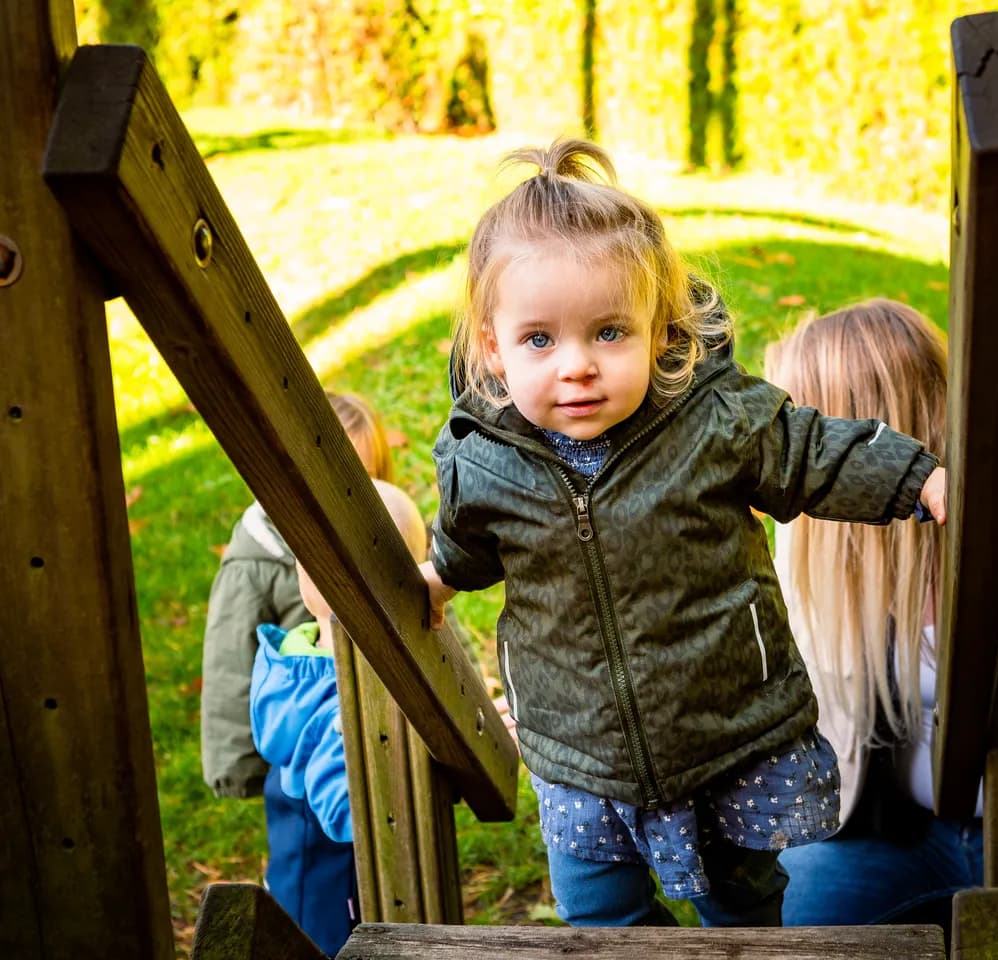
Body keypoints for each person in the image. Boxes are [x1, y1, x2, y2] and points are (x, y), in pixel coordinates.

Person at [418, 139, 948, 928]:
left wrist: (917, 477)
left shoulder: (713, 421)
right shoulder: (483, 459)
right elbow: (467, 542)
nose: (576, 366)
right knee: (597, 911)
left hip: (725, 737)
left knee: (740, 903)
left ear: (660, 330)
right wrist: (437, 578)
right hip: (581, 753)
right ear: (493, 347)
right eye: (540, 339)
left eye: (608, 333)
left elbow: (810, 452)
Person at [764, 298, 998, 930]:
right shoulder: (810, 542)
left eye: (794, 432)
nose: (778, 454)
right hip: (893, 835)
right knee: (790, 919)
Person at [251, 478, 427, 957]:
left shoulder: (294, 659)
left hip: (297, 875)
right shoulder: (341, 698)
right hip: (338, 904)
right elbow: (347, 814)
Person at [201, 391, 395, 799]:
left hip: (384, 733)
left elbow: (435, 626)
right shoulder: (257, 565)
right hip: (299, 757)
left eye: (361, 480)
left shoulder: (388, 542)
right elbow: (230, 665)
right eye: (328, 482)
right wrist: (237, 766)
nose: (343, 498)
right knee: (310, 833)